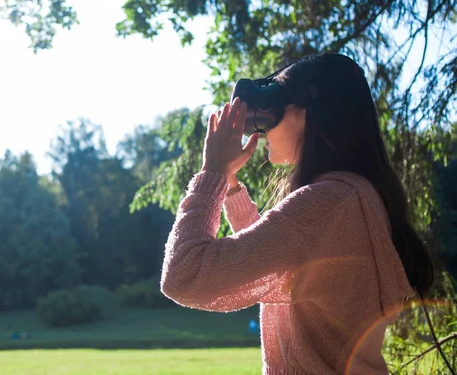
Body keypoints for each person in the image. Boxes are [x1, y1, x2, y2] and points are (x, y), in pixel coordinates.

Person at [160, 53, 434, 374]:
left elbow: (184, 276)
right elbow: (275, 259)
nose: (259, 132)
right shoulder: (356, 196)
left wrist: (213, 173)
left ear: (304, 113)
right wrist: (231, 186)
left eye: (270, 110)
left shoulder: (326, 204)